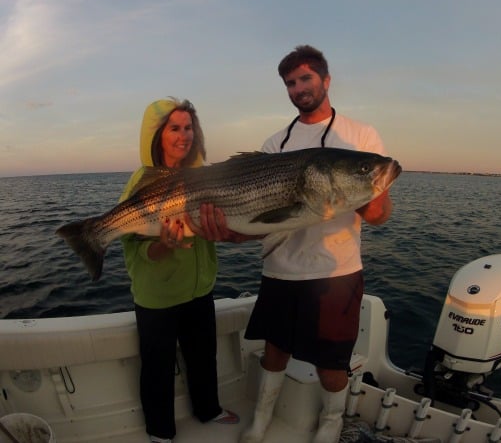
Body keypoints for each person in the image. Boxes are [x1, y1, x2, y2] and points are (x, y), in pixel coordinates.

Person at [193, 46, 394, 443]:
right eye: (290, 82)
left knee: (332, 361)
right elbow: (256, 224)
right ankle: (262, 421)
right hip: (280, 268)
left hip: (336, 272)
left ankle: (330, 425)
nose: (299, 88)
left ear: (326, 80)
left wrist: (360, 187)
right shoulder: (274, 143)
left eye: (306, 78)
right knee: (274, 351)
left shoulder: (360, 136)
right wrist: (225, 233)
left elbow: (380, 215)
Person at [119, 98, 239, 443]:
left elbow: (224, 223)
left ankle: (208, 409)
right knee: (157, 367)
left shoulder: (206, 176)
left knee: (204, 357)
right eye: (174, 128)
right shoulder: (142, 182)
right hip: (157, 295)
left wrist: (226, 231)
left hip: (200, 289)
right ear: (158, 134)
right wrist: (163, 244)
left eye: (188, 128)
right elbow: (136, 249)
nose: (183, 136)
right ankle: (159, 431)